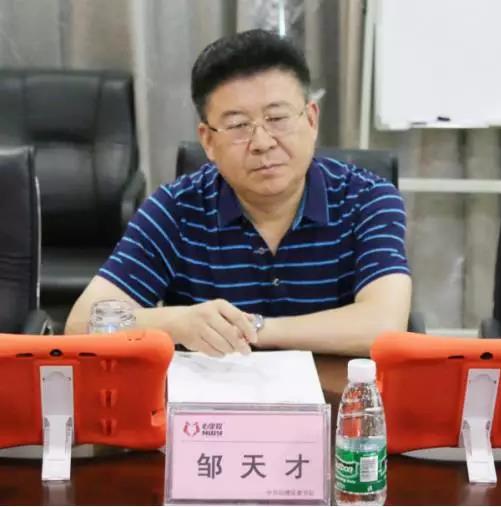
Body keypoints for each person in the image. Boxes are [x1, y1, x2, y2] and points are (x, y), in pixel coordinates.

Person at [65, 29, 412, 357]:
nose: (262, 142)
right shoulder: (175, 209)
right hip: (208, 397)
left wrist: (253, 328)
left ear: (311, 120)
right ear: (208, 140)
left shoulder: (368, 199)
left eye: (277, 118)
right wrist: (175, 322)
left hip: (333, 395)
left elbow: (384, 325)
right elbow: (81, 325)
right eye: (238, 126)